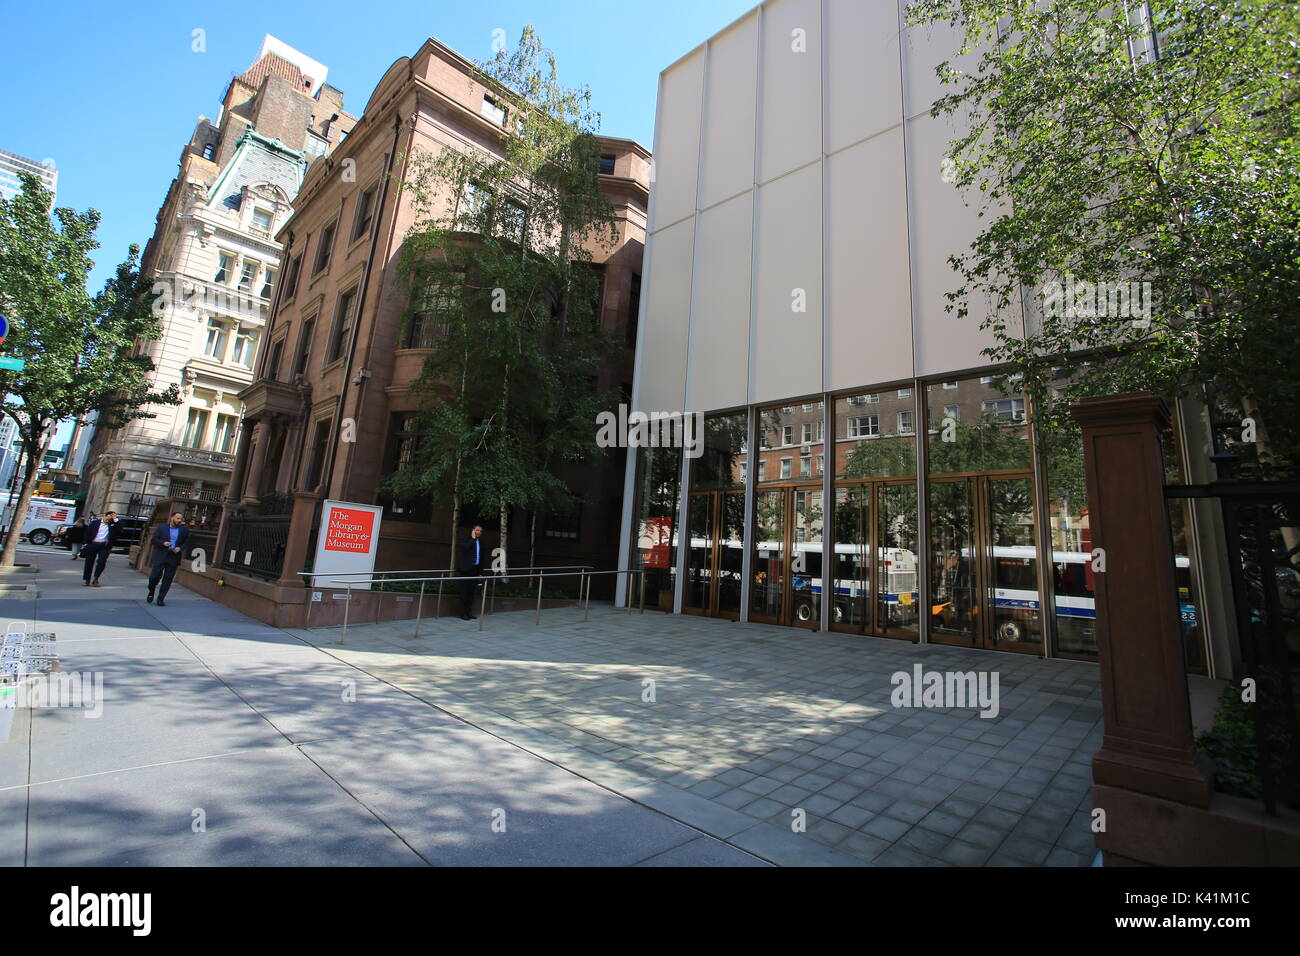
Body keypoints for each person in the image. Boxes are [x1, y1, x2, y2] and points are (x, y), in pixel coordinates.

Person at [147, 512, 190, 607]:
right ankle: (151, 591)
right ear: (172, 518)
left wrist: (180, 548)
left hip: (173, 557)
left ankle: (160, 598)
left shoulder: (184, 530)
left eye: (181, 519)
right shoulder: (162, 528)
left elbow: (186, 542)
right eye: (178, 518)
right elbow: (154, 540)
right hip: (161, 555)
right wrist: (163, 543)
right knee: (154, 577)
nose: (179, 521)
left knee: (168, 579)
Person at [81, 511, 119, 587]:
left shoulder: (112, 525)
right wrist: (85, 543)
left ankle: (96, 579)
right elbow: (87, 533)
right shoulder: (95, 523)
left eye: (112, 517)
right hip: (93, 544)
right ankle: (87, 579)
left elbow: (119, 529)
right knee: (89, 562)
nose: (110, 519)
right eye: (110, 516)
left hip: (104, 546)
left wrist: (115, 519)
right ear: (106, 516)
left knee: (102, 561)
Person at [457, 524, 485, 620]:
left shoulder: (480, 541)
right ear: (473, 530)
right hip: (466, 570)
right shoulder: (466, 539)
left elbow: (482, 557)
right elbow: (466, 548)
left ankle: (468, 612)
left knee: (471, 593)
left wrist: (481, 571)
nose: (479, 532)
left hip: (475, 570)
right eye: (477, 530)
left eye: (480, 531)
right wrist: (472, 539)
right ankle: (462, 613)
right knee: (464, 592)